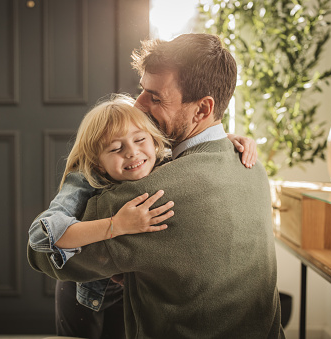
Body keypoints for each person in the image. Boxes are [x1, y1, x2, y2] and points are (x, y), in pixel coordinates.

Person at [28, 33, 283, 338]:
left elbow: (42, 253)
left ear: (202, 109)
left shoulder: (148, 197)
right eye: (142, 90)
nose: (138, 104)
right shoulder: (251, 166)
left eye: (156, 97)